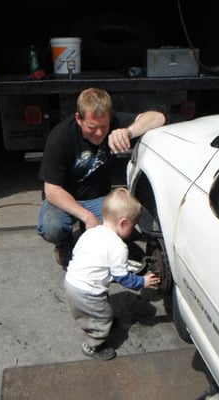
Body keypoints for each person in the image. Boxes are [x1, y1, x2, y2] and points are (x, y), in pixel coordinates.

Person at [37, 87, 166, 266]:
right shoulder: (61, 137)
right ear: (78, 119)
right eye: (92, 127)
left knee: (126, 225)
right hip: (65, 198)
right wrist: (87, 217)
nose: (99, 133)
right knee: (52, 228)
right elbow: (52, 191)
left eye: (103, 127)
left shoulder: (114, 122)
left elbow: (158, 118)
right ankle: (64, 244)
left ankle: (108, 245)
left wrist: (128, 132)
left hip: (97, 196)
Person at [64, 187, 161, 360]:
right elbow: (122, 277)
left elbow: (76, 254)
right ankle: (92, 345)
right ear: (123, 223)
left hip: (72, 281)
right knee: (101, 318)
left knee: (99, 307)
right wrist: (142, 282)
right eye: (133, 226)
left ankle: (96, 320)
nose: (133, 231)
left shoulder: (91, 232)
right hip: (88, 292)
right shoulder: (118, 247)